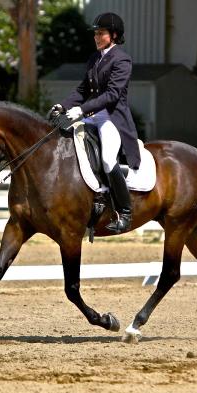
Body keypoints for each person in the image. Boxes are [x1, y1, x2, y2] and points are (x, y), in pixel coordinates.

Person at [49, 12, 140, 233]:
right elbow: (82, 90)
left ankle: (125, 212)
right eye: (96, 34)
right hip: (93, 115)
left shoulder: (122, 59)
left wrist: (80, 110)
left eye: (101, 33)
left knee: (108, 159)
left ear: (114, 35)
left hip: (113, 117)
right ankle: (93, 195)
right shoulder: (94, 59)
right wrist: (63, 106)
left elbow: (111, 95)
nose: (96, 37)